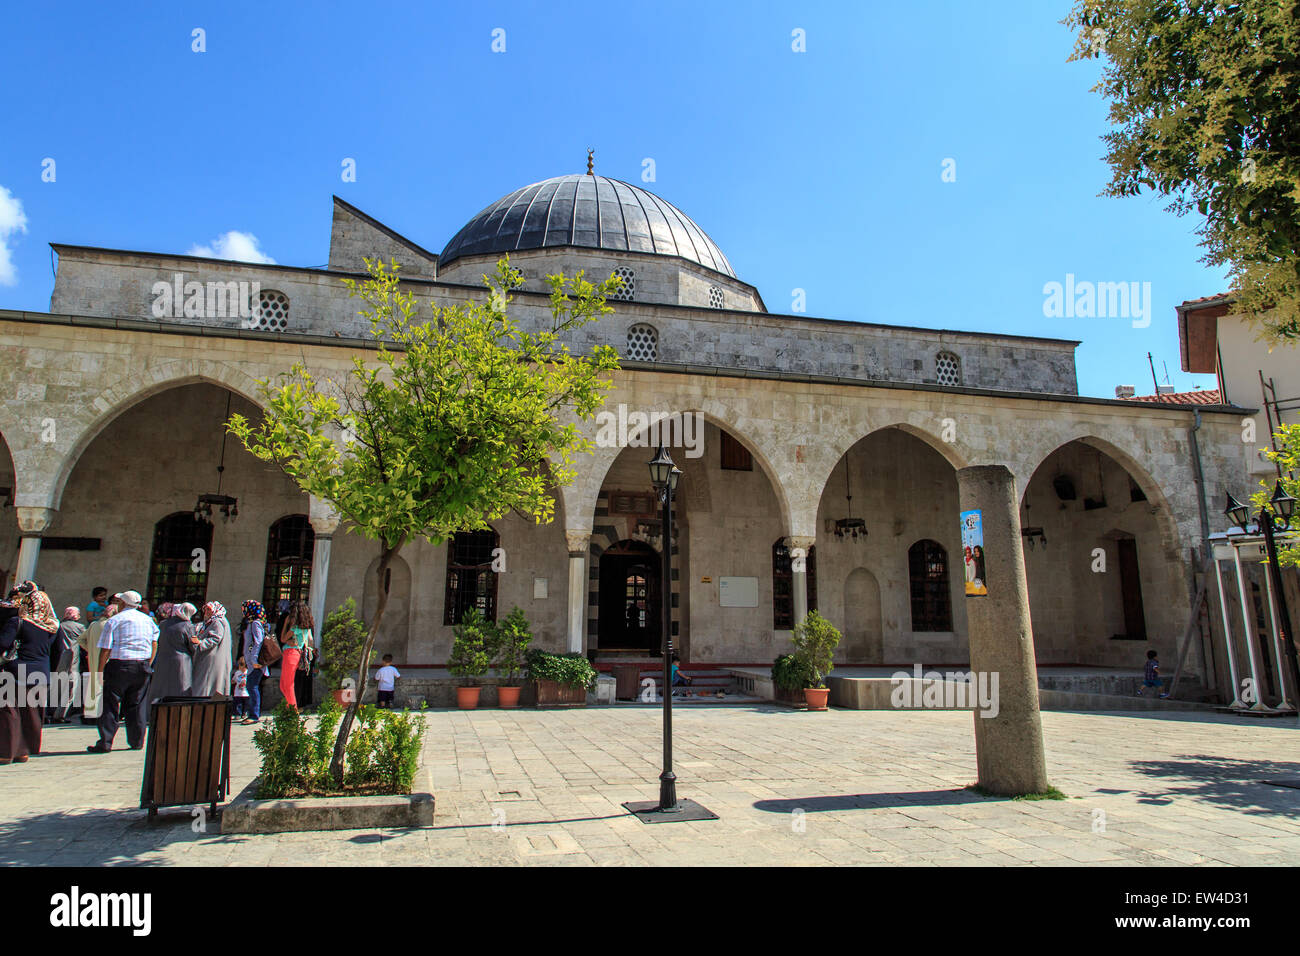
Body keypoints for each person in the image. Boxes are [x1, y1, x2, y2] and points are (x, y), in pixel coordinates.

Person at [88, 590, 158, 754]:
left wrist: (99, 671)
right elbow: (154, 642)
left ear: (122, 603)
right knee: (136, 703)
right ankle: (137, 741)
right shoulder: (148, 621)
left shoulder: (115, 620)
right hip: (141, 664)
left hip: (120, 664)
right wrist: (148, 662)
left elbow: (106, 648)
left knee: (110, 704)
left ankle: (105, 742)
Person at [0, 584, 58, 765]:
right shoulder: (53, 627)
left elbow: (3, 644)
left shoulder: (18, 622)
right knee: (31, 713)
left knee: (8, 711)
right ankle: (23, 752)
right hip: (41, 674)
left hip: (17, 672)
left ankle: (5, 753)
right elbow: (57, 651)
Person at [149, 602, 197, 709]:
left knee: (160, 686)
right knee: (180, 688)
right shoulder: (188, 626)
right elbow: (193, 646)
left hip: (162, 659)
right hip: (181, 661)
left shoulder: (163, 624)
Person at [77, 602, 116, 723]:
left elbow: (80, 639)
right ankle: (101, 715)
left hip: (94, 658)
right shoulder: (111, 625)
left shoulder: (94, 624)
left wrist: (91, 649)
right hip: (107, 659)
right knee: (104, 686)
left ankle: (90, 714)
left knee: (93, 685)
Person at [49, 607, 85, 724]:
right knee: (70, 688)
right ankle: (60, 715)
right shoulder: (79, 627)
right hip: (72, 662)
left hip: (57, 661)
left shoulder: (58, 625)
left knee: (56, 688)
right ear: (75, 616)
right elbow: (86, 639)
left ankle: (51, 712)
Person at [277, 602, 314, 711]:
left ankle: (293, 712)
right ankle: (291, 708)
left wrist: (285, 623)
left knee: (287, 685)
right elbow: (310, 640)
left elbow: (283, 639)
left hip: (290, 653)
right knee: (285, 685)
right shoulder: (306, 628)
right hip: (295, 653)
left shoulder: (295, 628)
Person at [191, 601, 233, 698]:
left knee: (207, 685)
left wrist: (200, 642)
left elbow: (215, 638)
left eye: (209, 609)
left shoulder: (217, 621)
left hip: (213, 659)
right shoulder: (214, 621)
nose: (206, 611)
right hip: (213, 658)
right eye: (205, 609)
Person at [240, 600, 270, 724]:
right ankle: (251, 713)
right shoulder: (253, 623)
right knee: (251, 686)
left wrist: (254, 659)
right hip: (252, 661)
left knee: (252, 687)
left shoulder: (256, 624)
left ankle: (254, 715)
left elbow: (258, 642)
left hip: (255, 662)